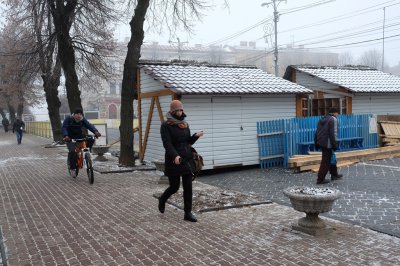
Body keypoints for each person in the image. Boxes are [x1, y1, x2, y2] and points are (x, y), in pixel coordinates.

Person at [158, 100, 204, 222]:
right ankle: (162, 199)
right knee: (174, 187)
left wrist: (195, 136)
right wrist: (175, 156)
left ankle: (187, 213)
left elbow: (187, 141)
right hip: (174, 160)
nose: (181, 112)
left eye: (181, 109)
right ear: (173, 111)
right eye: (178, 110)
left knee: (188, 187)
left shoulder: (185, 124)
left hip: (187, 159)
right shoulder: (166, 125)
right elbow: (167, 144)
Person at [62, 108, 101, 177]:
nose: (79, 116)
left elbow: (89, 125)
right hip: (70, 138)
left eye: (80, 114)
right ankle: (73, 169)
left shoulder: (82, 120)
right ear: (74, 114)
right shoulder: (69, 119)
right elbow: (64, 128)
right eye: (77, 114)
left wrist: (95, 131)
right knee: (73, 152)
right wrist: (66, 135)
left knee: (91, 139)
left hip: (79, 137)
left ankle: (87, 153)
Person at [314, 107, 343, 184]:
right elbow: (333, 133)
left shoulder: (322, 119)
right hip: (328, 143)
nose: (338, 115)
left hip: (321, 142)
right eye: (337, 113)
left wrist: (316, 142)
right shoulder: (333, 119)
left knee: (332, 158)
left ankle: (334, 174)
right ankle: (320, 179)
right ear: (334, 113)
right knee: (326, 161)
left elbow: (317, 131)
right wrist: (334, 144)